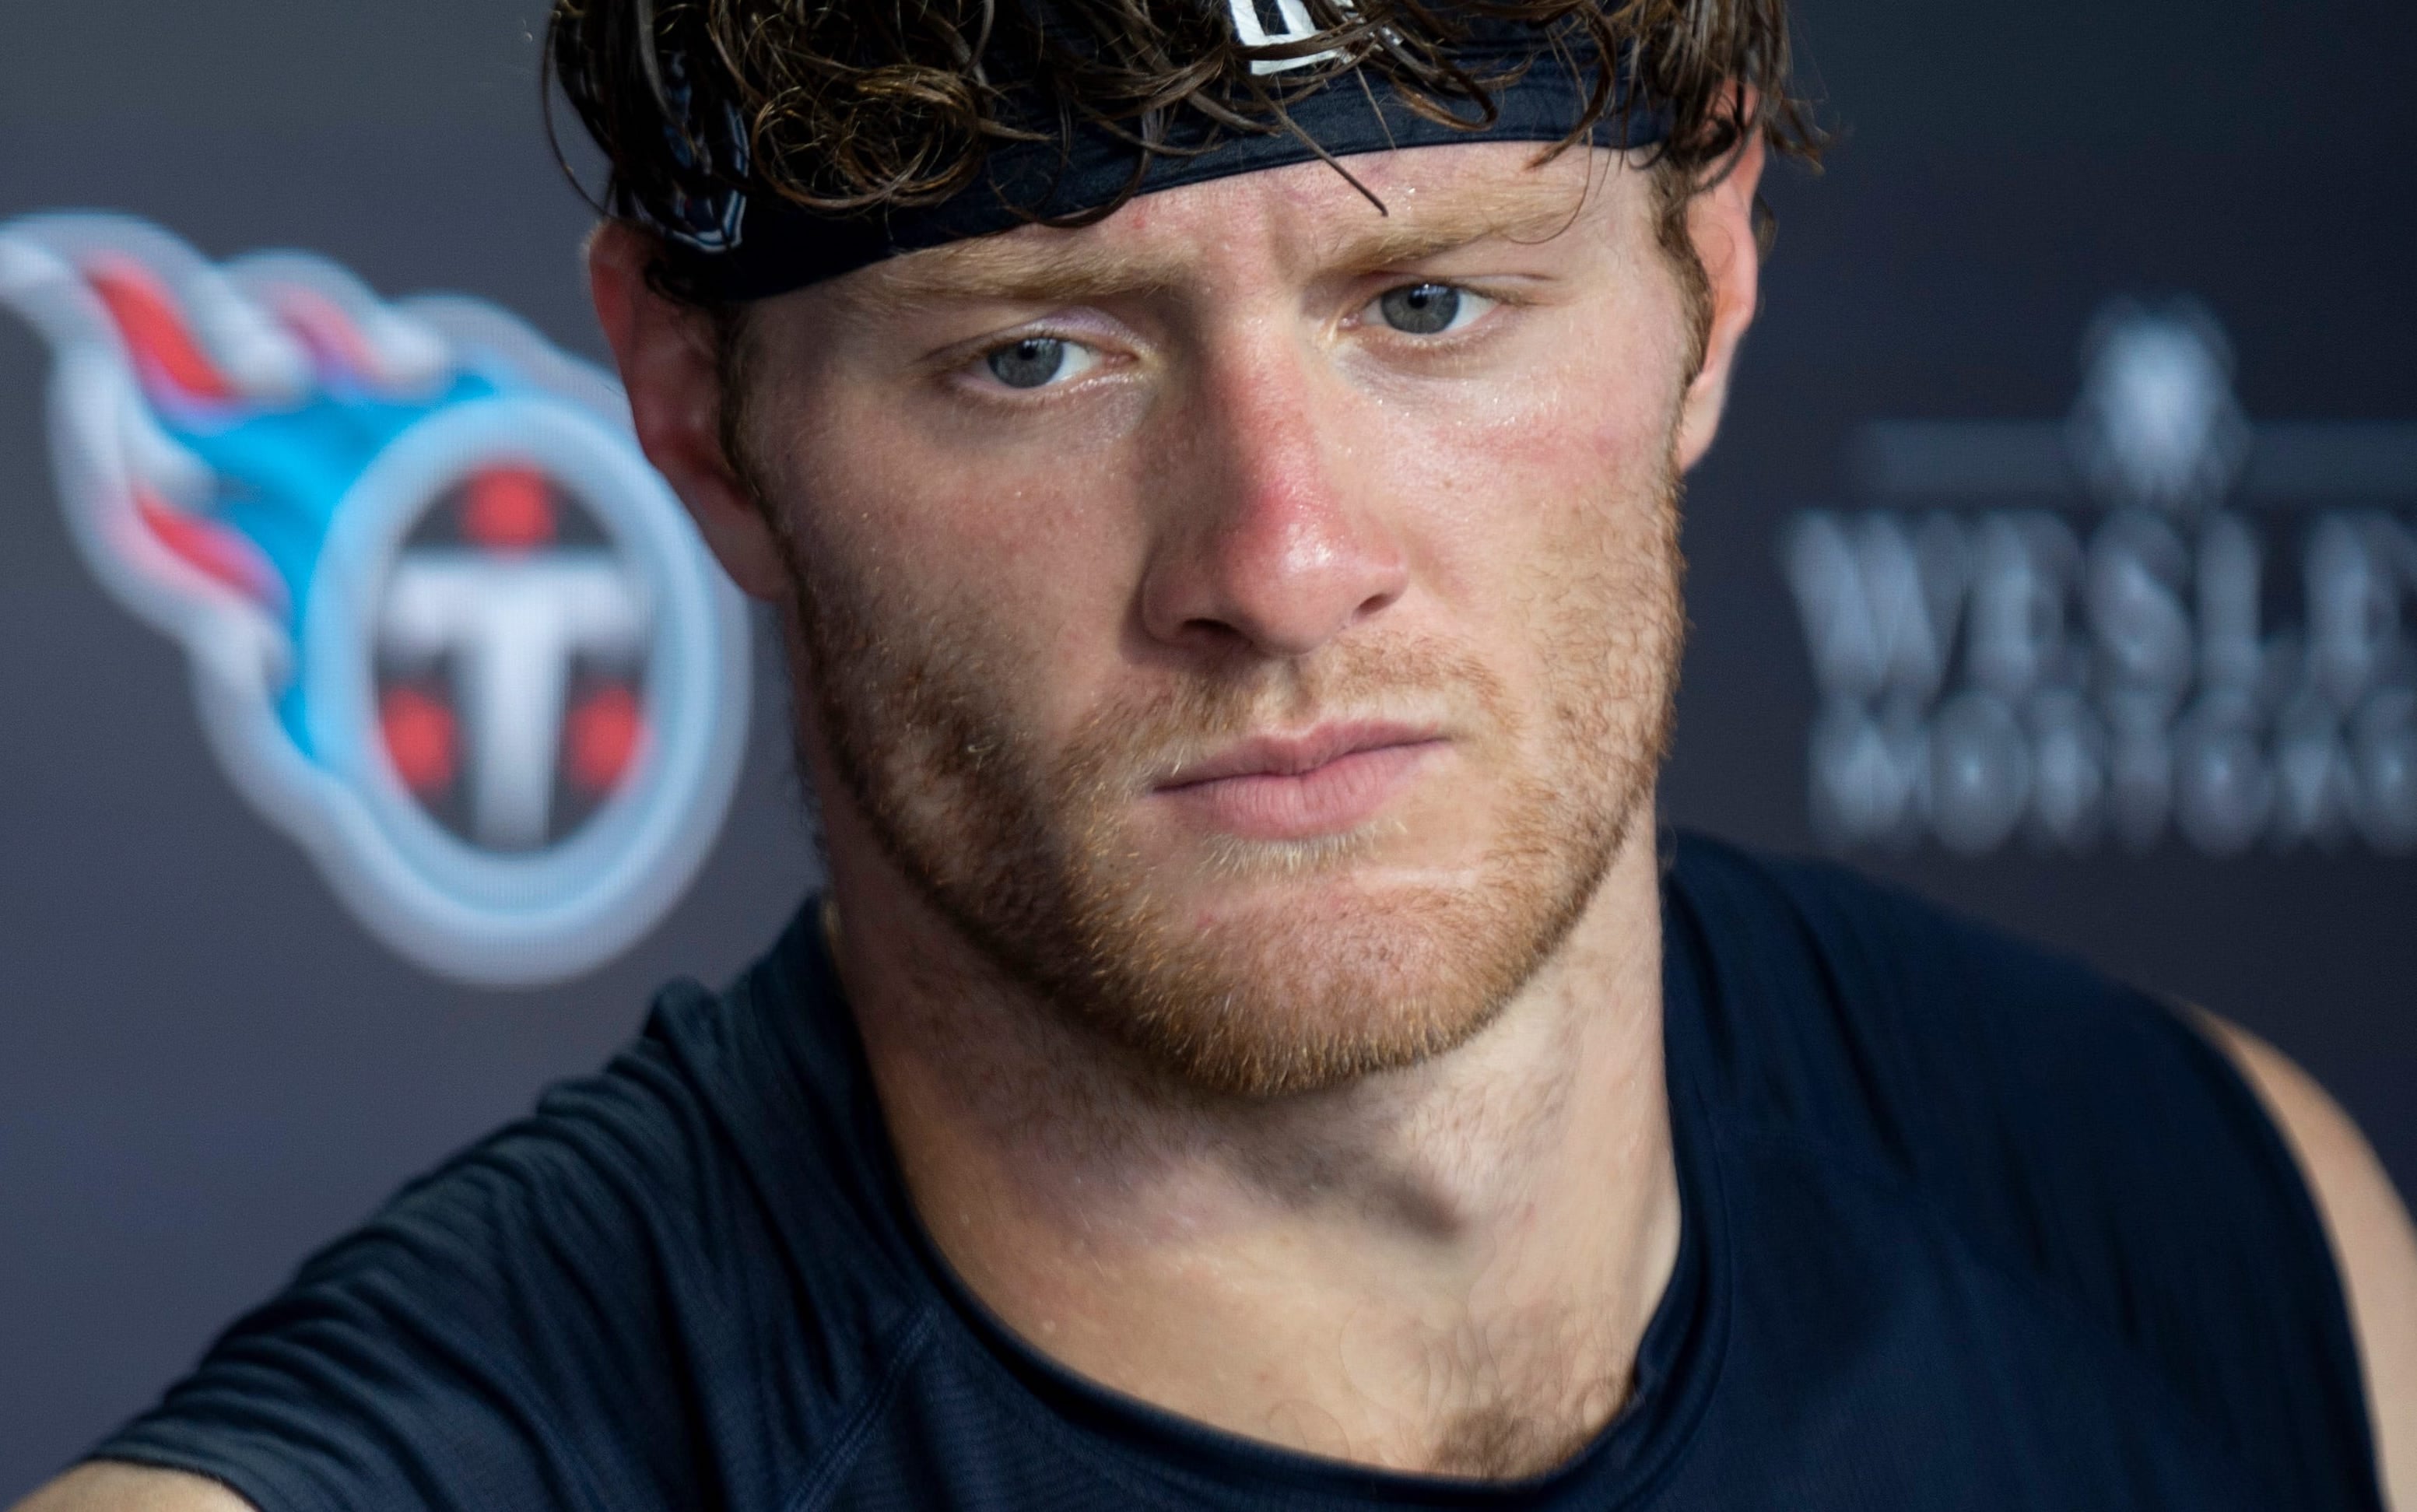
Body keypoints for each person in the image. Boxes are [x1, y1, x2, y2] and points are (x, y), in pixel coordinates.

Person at [21, 0, 2417, 1507]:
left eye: (1430, 303)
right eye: (1035, 355)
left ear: (1711, 277)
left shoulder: (2225, 1226)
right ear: (700, 419)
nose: (1274, 561)